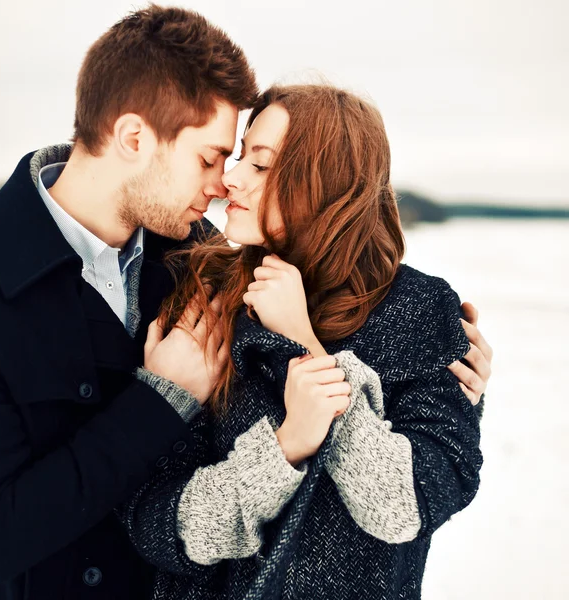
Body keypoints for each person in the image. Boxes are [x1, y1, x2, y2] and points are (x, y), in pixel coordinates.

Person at [119, 85, 491, 600]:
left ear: (325, 184)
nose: (230, 178)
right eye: (241, 156)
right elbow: (155, 523)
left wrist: (306, 345)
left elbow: (403, 509)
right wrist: (282, 451)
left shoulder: (421, 310)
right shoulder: (206, 297)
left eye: (261, 165)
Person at [0, 6, 258, 600]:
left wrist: (433, 353)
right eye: (208, 158)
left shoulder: (198, 260)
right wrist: (160, 401)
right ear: (133, 138)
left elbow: (312, 320)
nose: (221, 184)